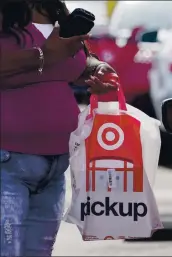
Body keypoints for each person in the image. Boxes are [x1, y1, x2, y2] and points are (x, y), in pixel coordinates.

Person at [0, 1, 119, 256]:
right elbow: (45, 58)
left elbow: (74, 63)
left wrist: (96, 69)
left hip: (54, 168)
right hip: (7, 163)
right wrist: (43, 55)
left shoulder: (55, 13)